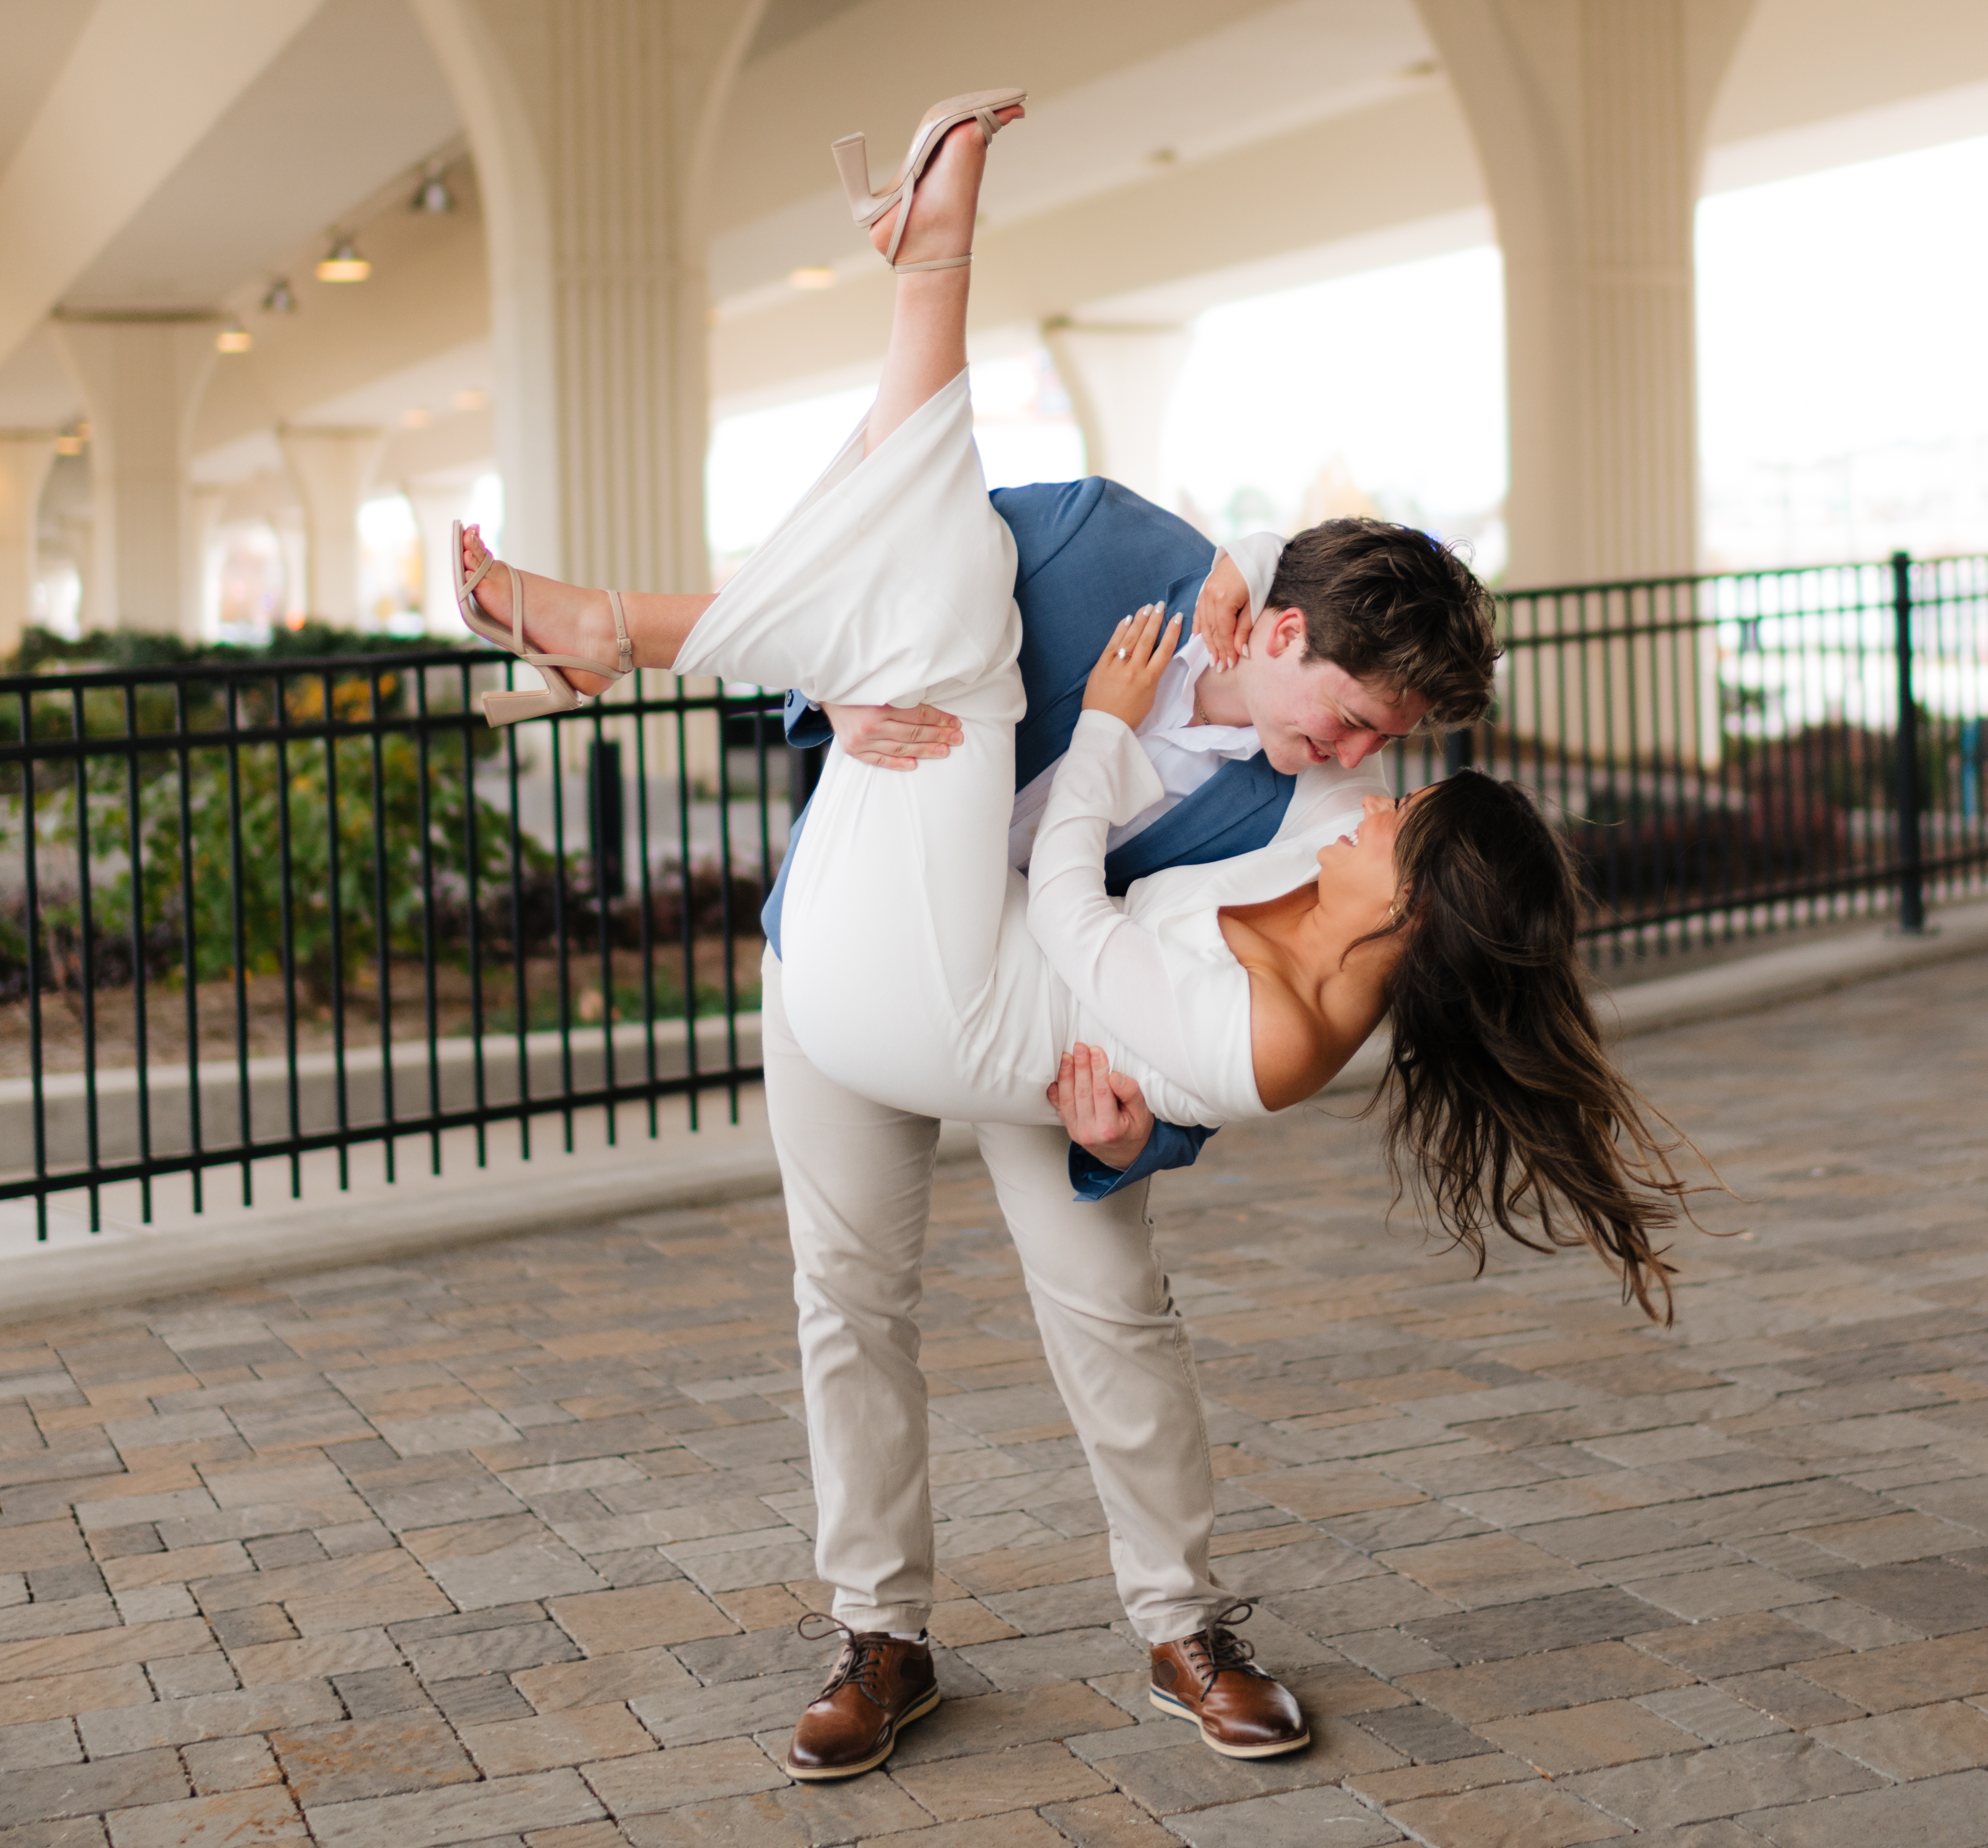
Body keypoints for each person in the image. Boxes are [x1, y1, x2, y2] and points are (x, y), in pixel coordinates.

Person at [450, 89, 1694, 1778]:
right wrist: (833, 689)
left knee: (1115, 1311)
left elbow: (1247, 1008)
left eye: (1385, 748)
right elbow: (885, 564)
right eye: (1346, 718)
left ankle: (1186, 1625)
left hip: (1064, 1041)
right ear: (1271, 622)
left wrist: (1144, 1128)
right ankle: (877, 1639)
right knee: (848, 1296)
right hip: (873, 960)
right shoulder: (1108, 540)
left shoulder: (1322, 824)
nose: (1352, 764)